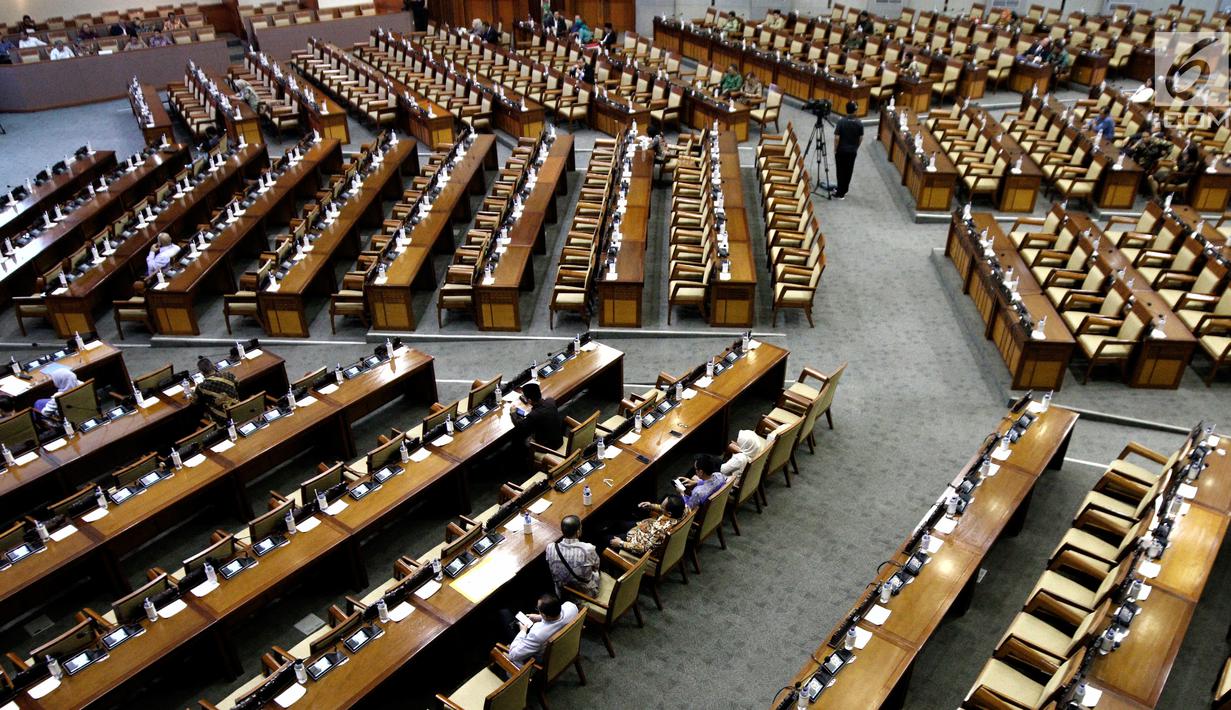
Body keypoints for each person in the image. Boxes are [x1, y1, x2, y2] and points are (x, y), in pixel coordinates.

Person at [502, 595, 579, 667]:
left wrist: (522, 631)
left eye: (538, 609)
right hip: (567, 646)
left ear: (546, 615)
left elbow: (513, 655)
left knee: (504, 613)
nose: (538, 611)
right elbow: (559, 616)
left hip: (545, 658)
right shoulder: (571, 607)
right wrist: (540, 617)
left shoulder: (537, 634)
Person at [609, 494, 686, 554]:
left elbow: (645, 549)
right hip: (645, 529)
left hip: (636, 542)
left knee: (607, 539)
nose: (660, 507)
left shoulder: (659, 529)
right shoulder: (684, 510)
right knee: (620, 524)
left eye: (662, 508)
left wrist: (621, 543)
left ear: (669, 514)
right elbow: (664, 509)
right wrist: (651, 505)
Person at [546, 515, 599, 596]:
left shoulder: (550, 548)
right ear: (578, 532)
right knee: (596, 573)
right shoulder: (588, 549)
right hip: (586, 594)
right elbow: (596, 567)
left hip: (563, 593)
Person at [511, 382, 564, 451]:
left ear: (529, 400)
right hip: (559, 439)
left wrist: (513, 413)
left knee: (519, 436)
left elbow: (521, 426)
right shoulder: (550, 401)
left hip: (548, 447)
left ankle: (525, 457)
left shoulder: (534, 415)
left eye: (524, 396)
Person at [194, 356, 239, 424]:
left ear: (202, 373)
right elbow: (237, 384)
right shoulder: (228, 375)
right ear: (214, 366)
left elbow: (196, 402)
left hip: (221, 419)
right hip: (238, 409)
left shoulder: (201, 387)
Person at [833, 100, 864, 199]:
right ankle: (844, 189)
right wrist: (855, 147)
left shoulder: (841, 122)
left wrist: (835, 149)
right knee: (848, 171)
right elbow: (860, 138)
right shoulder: (859, 123)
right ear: (855, 111)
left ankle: (840, 193)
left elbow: (837, 137)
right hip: (852, 151)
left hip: (841, 151)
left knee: (840, 171)